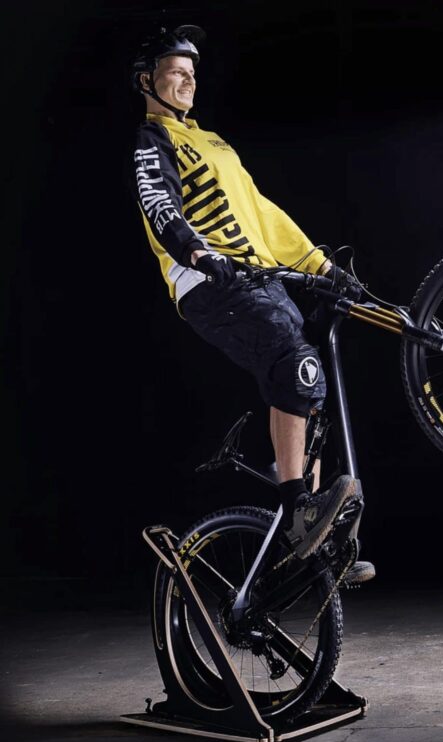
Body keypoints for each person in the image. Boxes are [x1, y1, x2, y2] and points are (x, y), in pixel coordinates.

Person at [130, 24, 374, 582]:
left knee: (310, 388)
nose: (188, 80)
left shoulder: (214, 143)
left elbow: (264, 214)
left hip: (260, 279)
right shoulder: (153, 140)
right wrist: (195, 251)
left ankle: (310, 539)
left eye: (192, 72)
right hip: (212, 282)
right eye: (175, 71)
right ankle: (297, 506)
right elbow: (157, 200)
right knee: (296, 363)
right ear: (146, 81)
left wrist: (322, 267)